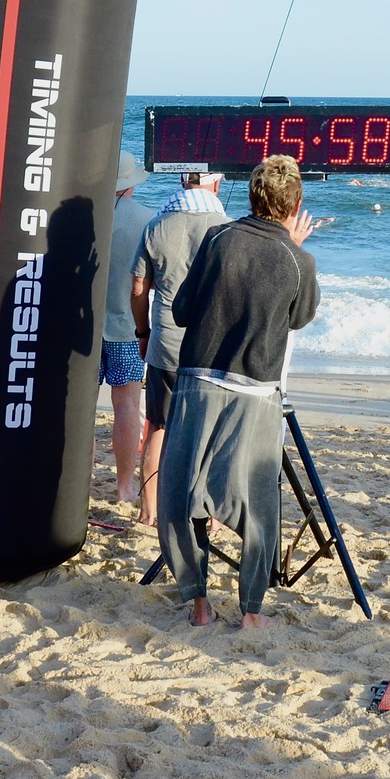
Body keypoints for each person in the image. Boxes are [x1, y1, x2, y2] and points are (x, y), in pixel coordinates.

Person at [158, 155, 318, 629]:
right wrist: (292, 247)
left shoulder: (218, 238)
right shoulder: (298, 258)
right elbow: (298, 319)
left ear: (251, 195)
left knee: (182, 491)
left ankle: (198, 603)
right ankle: (250, 612)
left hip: (199, 380)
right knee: (258, 502)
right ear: (296, 203)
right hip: (256, 391)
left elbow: (183, 310)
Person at [130, 170, 230, 526]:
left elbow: (139, 287)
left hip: (166, 344)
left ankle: (149, 511)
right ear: (216, 185)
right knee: (212, 431)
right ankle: (211, 515)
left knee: (157, 426)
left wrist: (143, 332)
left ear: (183, 182)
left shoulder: (157, 226)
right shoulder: (228, 227)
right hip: (212, 347)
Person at [99, 150, 153, 506]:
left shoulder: (81, 213)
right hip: (126, 327)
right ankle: (123, 489)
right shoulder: (147, 220)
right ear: (130, 184)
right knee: (128, 407)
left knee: (78, 409)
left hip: (82, 329)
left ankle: (71, 486)